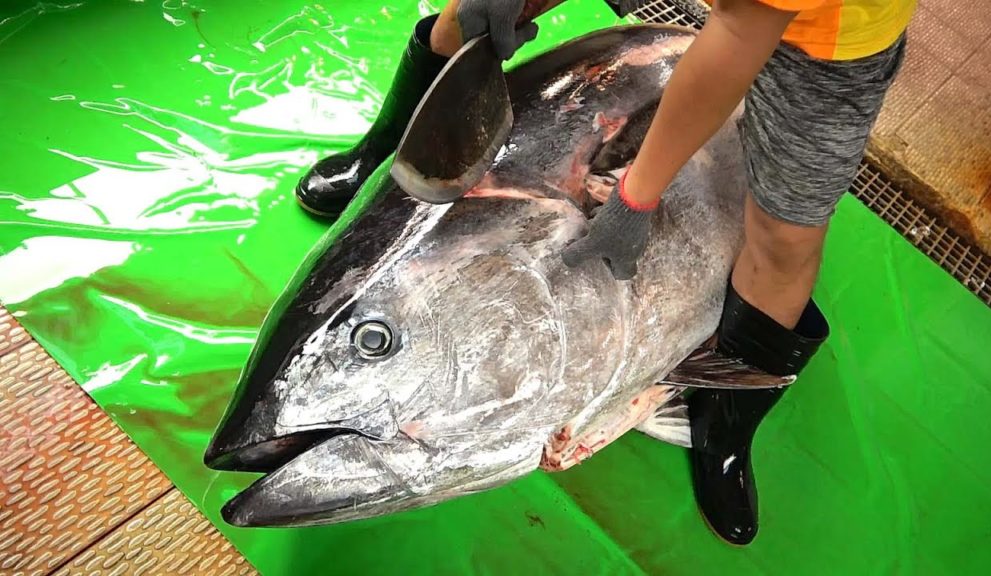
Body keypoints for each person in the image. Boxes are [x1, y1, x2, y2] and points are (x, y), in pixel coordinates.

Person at [294, 0, 913, 546]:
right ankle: (379, 156)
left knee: (786, 237)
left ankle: (724, 419)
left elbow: (732, 42)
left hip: (823, 39)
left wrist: (636, 196)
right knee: (475, 13)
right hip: (747, 16)